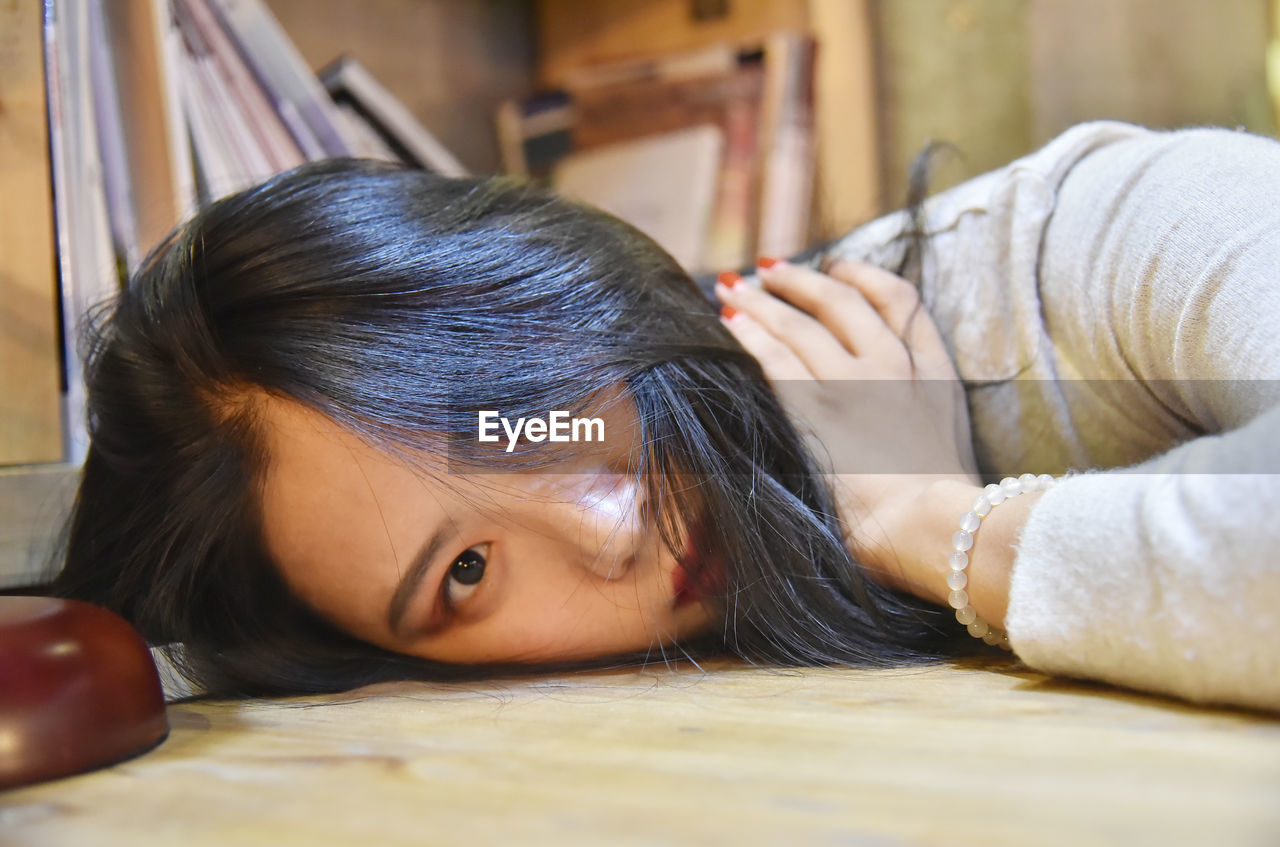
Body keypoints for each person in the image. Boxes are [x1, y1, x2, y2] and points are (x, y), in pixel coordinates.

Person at [52, 121, 1280, 711]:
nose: (602, 535)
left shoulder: (1084, 249)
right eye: (466, 571)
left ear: (544, 271)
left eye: (521, 418)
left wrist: (923, 515)